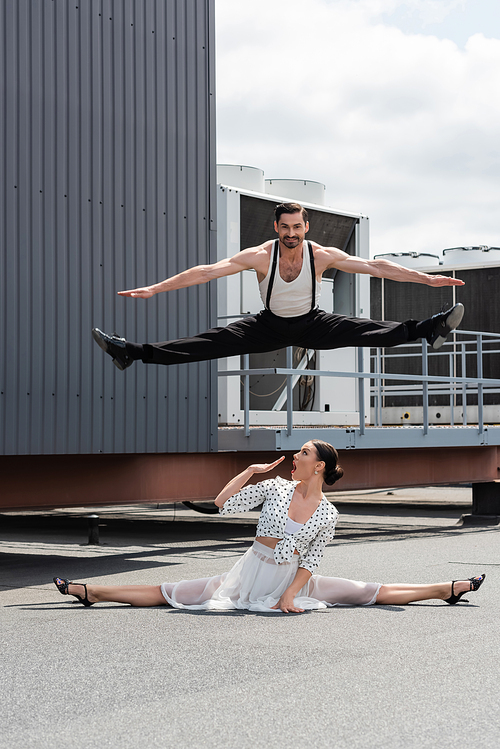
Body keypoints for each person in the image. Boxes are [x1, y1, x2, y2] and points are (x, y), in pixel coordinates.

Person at [52, 440, 485, 613]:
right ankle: (89, 591)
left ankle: (449, 587)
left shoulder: (330, 513)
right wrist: (249, 472)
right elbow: (221, 505)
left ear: (319, 466)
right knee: (172, 593)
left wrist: (291, 596)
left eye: (301, 453)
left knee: (369, 591)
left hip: (292, 581)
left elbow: (311, 559)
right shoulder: (275, 486)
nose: (293, 457)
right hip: (252, 570)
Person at [92, 203, 465, 371]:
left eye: (297, 227)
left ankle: (431, 328)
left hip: (312, 322)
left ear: (306, 228)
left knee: (366, 330)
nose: (290, 233)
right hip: (267, 324)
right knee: (207, 342)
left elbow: (375, 267)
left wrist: (426, 278)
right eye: (284, 227)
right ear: (276, 228)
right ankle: (131, 352)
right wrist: (155, 289)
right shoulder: (259, 256)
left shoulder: (319, 254)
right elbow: (206, 272)